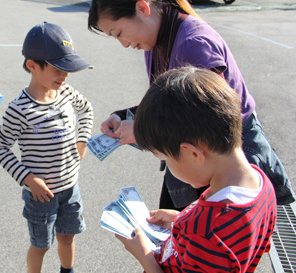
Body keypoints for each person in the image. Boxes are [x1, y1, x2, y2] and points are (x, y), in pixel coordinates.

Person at [88, 0, 294, 210]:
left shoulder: (193, 44)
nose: (123, 44)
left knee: (210, 239)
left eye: (119, 33)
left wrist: (142, 130)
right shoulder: (156, 40)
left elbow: (208, 120)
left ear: (143, 9)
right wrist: (125, 116)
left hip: (226, 160)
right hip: (192, 159)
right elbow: (169, 103)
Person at [116, 66, 277, 272]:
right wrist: (180, 221)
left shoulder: (206, 231)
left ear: (193, 154)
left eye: (166, 158)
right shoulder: (261, 185)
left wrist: (144, 254)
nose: (170, 168)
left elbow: (210, 238)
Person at [0, 22, 94, 273]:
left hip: (71, 187)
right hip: (41, 195)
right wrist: (28, 179)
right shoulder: (20, 109)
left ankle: (67, 270)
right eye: (58, 69)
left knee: (67, 236)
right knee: (41, 245)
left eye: (68, 69)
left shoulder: (67, 93)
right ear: (32, 66)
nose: (65, 75)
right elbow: (0, 147)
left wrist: (82, 140)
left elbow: (87, 110)